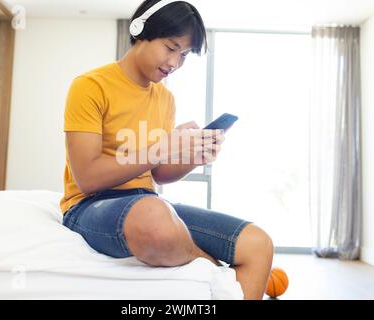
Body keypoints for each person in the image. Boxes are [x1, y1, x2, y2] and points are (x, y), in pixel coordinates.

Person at [60, 0, 273, 300]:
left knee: (258, 244)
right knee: (154, 217)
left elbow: (158, 174)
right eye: (170, 47)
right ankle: (214, 270)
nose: (174, 63)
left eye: (184, 55)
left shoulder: (165, 98)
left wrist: (192, 157)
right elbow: (87, 178)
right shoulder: (89, 86)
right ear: (139, 30)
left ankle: (208, 266)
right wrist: (160, 148)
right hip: (89, 205)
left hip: (145, 201)